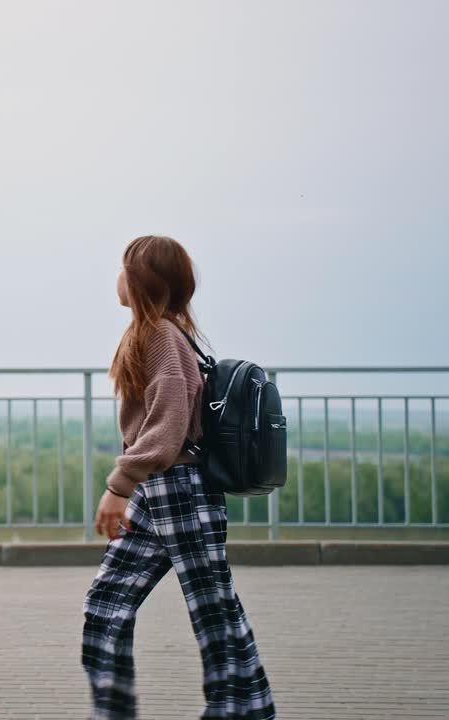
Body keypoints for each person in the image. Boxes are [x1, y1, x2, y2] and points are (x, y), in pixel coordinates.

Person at [80, 235, 277, 719]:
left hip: (180, 487)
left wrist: (117, 486)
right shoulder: (155, 334)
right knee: (107, 604)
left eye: (124, 269)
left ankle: (242, 712)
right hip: (162, 489)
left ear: (143, 280)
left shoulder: (163, 337)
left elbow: (166, 431)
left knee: (215, 613)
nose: (118, 278)